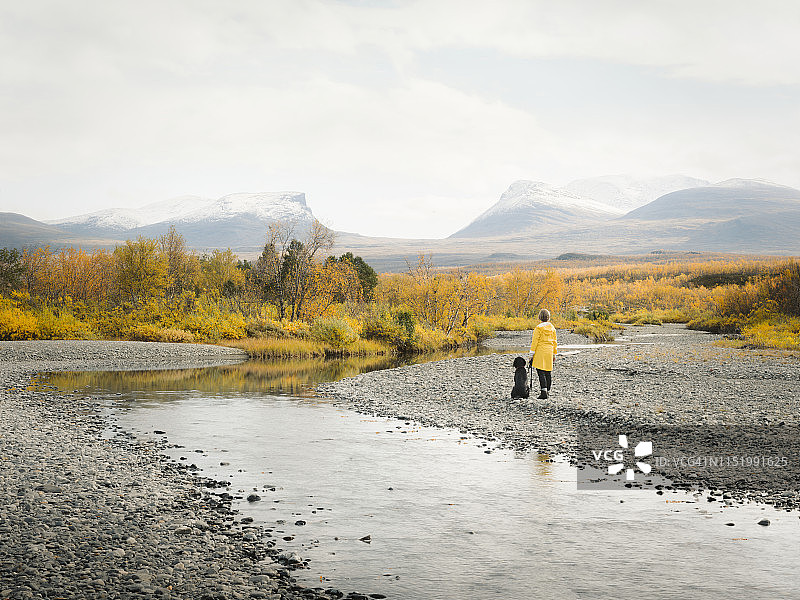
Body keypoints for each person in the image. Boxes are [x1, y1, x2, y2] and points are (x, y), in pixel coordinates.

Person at [529, 309, 557, 399]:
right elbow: (554, 342)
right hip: (549, 350)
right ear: (548, 317)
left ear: (540, 317)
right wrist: (554, 354)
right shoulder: (552, 328)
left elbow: (535, 342)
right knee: (548, 371)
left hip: (540, 351)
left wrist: (531, 354)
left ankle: (543, 391)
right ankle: (548, 391)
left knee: (540, 371)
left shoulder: (538, 328)